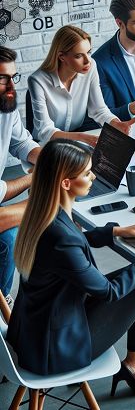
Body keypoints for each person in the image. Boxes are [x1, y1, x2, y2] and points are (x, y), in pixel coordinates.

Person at [7, 139, 135, 409]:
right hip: (54, 350)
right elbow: (109, 292)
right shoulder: (60, 236)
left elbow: (71, 248)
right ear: (65, 183)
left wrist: (114, 231)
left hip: (36, 330)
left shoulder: (41, 214)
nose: (93, 176)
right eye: (87, 173)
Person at [28, 25, 135, 146]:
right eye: (79, 56)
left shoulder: (91, 66)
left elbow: (99, 110)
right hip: (46, 145)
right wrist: (82, 137)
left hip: (77, 141)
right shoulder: (37, 80)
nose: (87, 60)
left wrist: (115, 123)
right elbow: (44, 131)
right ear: (62, 57)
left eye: (88, 52)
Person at [0, 46, 40, 304]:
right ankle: (3, 303)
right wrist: (36, 178)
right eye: (2, 79)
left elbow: (22, 143)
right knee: (7, 239)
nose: (11, 86)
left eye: (13, 77)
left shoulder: (6, 105)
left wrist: (46, 159)